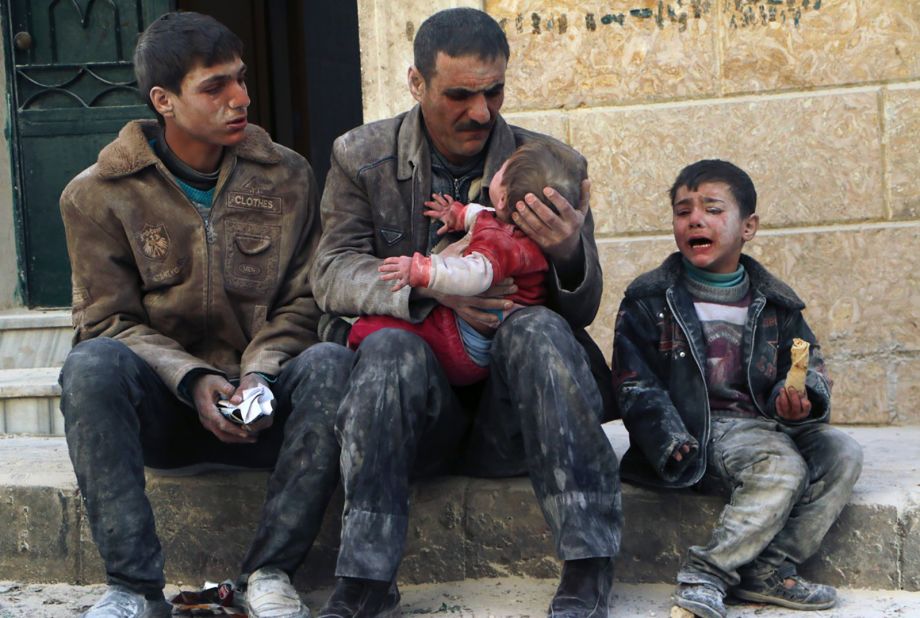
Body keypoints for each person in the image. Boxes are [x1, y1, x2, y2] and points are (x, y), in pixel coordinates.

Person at [310, 8, 622, 617]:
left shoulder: (548, 163)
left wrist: (565, 250)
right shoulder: (360, 156)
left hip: (515, 420)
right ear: (416, 83)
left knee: (538, 327)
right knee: (388, 345)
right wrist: (432, 289)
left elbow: (582, 309)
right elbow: (330, 272)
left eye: (494, 92)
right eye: (460, 94)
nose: (481, 112)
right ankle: (365, 580)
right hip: (417, 412)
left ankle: (588, 566)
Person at [58, 12, 351, 618]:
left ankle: (268, 574)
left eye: (240, 80)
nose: (239, 98)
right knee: (90, 366)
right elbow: (106, 321)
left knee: (332, 361)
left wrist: (259, 374)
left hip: (267, 409)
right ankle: (133, 590)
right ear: (164, 100)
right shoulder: (96, 194)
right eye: (214, 87)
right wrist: (192, 381)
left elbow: (306, 298)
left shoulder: (288, 174)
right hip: (167, 414)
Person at [611, 159, 863, 618]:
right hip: (702, 429)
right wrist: (668, 440)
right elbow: (634, 385)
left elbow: (808, 365)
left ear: (748, 227)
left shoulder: (777, 303)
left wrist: (801, 402)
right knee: (781, 468)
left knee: (843, 453)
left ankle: (769, 567)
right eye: (683, 211)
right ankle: (707, 574)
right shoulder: (651, 300)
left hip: (766, 425)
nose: (695, 220)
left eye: (712, 209)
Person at [347, 141, 587, 385]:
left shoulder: (500, 243)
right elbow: (481, 215)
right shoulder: (516, 227)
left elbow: (473, 274)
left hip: (466, 344)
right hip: (478, 334)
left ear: (502, 198)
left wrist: (422, 270)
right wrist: (455, 214)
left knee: (377, 331)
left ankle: (354, 339)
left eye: (502, 168)